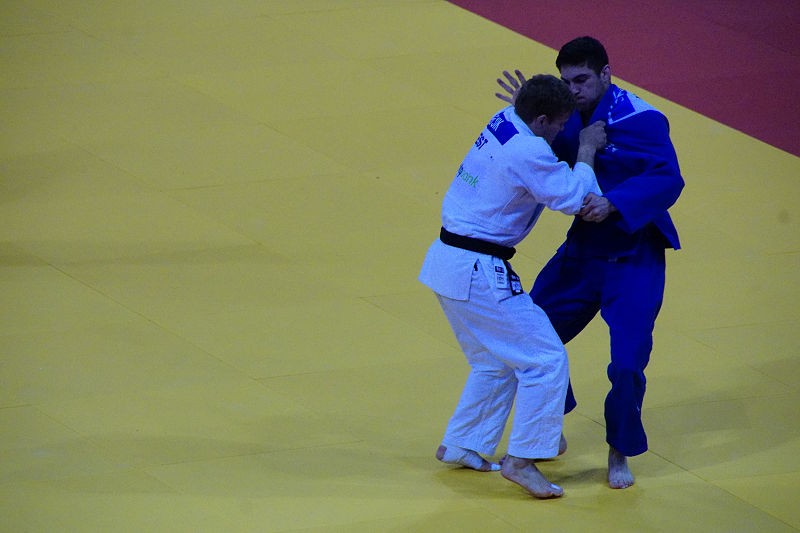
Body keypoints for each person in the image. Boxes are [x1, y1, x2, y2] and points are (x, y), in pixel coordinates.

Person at [495, 36, 684, 489]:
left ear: (605, 74)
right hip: (583, 251)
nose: (573, 90)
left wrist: (615, 203)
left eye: (581, 80)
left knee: (627, 364)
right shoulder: (566, 112)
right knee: (529, 333)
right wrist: (530, 114)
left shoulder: (643, 119)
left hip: (635, 256)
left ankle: (619, 450)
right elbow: (548, 152)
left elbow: (668, 178)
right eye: (565, 82)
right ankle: (549, 426)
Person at [419, 74, 607, 499]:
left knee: (494, 361)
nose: (562, 132)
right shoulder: (529, 150)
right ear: (540, 120)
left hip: (447, 261)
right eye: (559, 124)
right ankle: (522, 460)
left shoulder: (504, 117)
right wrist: (586, 149)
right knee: (545, 358)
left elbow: (530, 118)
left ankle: (463, 443)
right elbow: (574, 198)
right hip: (478, 269)